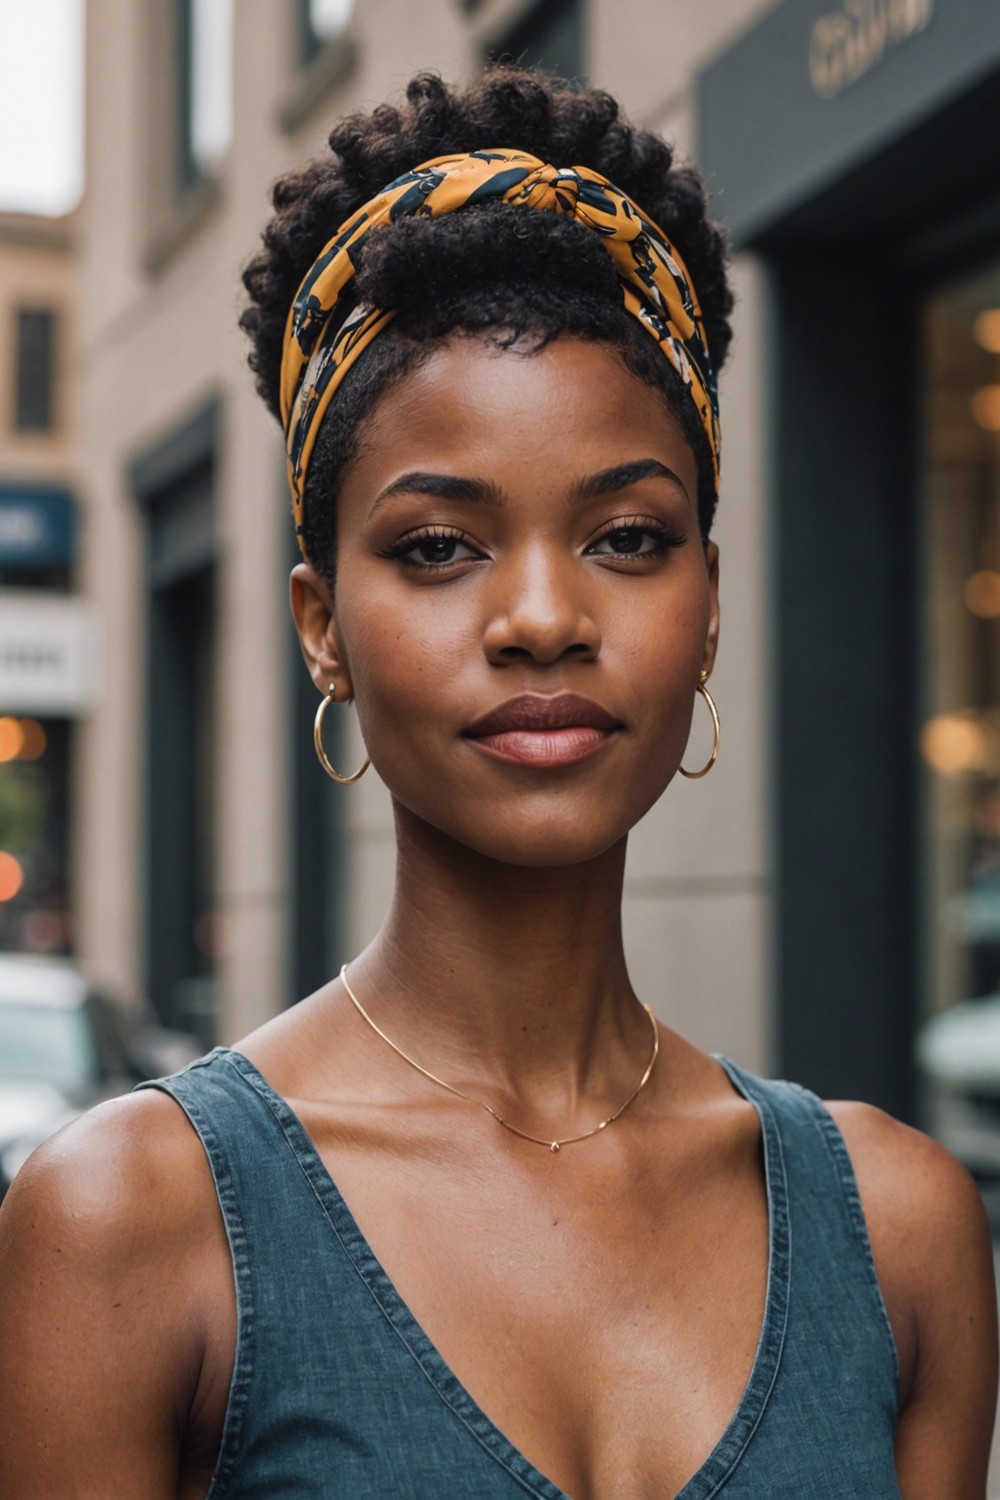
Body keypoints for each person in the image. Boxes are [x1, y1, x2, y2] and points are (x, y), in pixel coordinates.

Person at [0, 68, 996, 1500]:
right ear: (320, 624)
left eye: (630, 537)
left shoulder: (898, 1231)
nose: (541, 615)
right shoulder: (131, 1227)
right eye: (437, 547)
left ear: (708, 607)